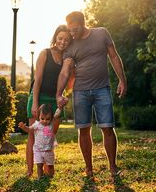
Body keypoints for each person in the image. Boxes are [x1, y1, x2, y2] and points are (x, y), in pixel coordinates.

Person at [56, 11, 127, 177]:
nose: (71, 33)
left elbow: (114, 57)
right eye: (69, 29)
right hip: (80, 91)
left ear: (83, 23)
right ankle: (89, 168)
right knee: (83, 130)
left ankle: (112, 167)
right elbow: (65, 71)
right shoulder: (70, 45)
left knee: (107, 127)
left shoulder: (101, 33)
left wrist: (122, 80)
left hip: (102, 88)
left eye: (74, 29)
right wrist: (59, 93)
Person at [26, 25, 72, 176]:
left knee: (49, 137)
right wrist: (34, 103)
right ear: (55, 38)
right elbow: (37, 80)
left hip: (55, 100)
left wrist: (65, 96)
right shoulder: (45, 53)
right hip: (39, 97)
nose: (63, 42)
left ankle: (46, 168)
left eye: (66, 39)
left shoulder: (68, 58)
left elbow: (69, 81)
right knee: (33, 136)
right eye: (60, 38)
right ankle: (30, 170)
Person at [19, 104, 64, 179]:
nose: (45, 121)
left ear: (51, 118)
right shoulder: (37, 125)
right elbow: (29, 129)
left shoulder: (51, 124)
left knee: (50, 165)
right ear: (39, 117)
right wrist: (24, 127)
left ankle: (51, 177)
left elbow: (57, 114)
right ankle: (40, 177)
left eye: (47, 119)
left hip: (48, 150)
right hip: (38, 149)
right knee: (39, 165)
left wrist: (60, 107)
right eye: (42, 118)